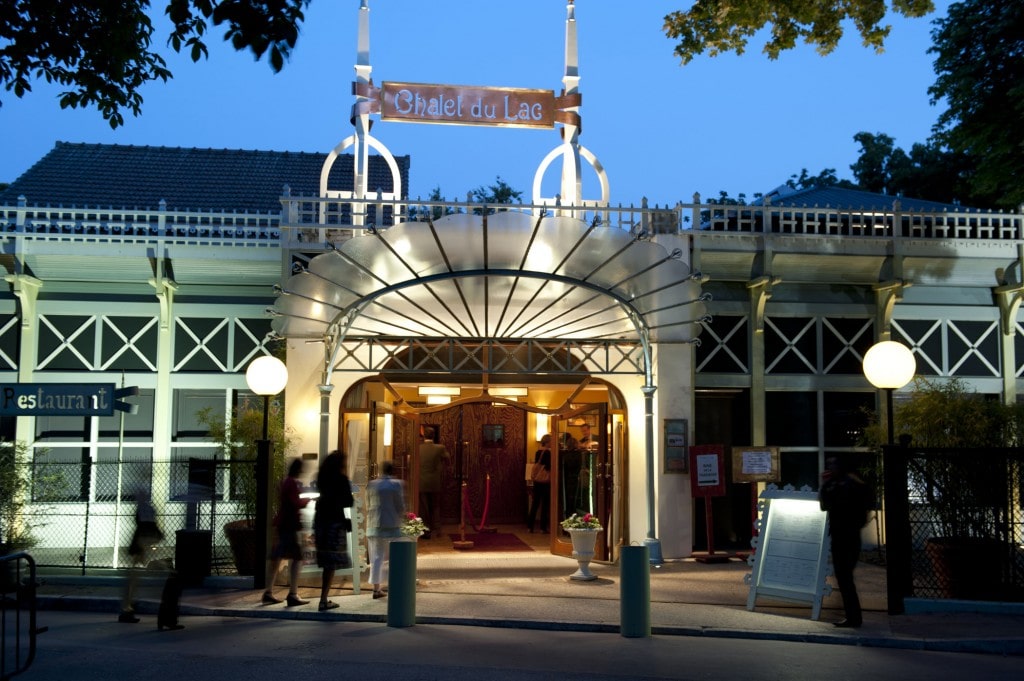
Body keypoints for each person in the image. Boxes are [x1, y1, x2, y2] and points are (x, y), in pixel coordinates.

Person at [819, 456, 870, 628]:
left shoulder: (840, 485)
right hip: (850, 535)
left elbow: (825, 505)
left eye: (832, 465)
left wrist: (825, 485)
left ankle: (853, 617)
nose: (830, 468)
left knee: (844, 577)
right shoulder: (854, 483)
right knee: (845, 577)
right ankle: (853, 616)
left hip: (843, 536)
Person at [262, 458, 310, 607]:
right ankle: (293, 594)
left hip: (284, 524)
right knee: (297, 558)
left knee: (277, 557)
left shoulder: (286, 482)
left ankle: (269, 592)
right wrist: (306, 500)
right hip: (289, 525)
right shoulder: (291, 483)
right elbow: (294, 503)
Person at [314, 450, 354, 612]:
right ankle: (323, 599)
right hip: (335, 522)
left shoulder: (321, 477)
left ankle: (323, 598)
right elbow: (349, 501)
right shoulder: (341, 479)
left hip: (320, 521)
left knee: (326, 561)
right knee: (331, 563)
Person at [119, 488, 165, 625]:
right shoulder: (146, 509)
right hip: (142, 542)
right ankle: (127, 609)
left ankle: (127, 609)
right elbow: (148, 525)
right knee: (134, 577)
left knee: (134, 576)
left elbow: (145, 525)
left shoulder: (143, 508)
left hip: (140, 541)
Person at [366, 460, 405, 600]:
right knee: (397, 555)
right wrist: (402, 516)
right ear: (392, 470)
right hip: (392, 524)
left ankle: (376, 588)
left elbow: (368, 503)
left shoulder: (372, 484)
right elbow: (400, 505)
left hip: (374, 524)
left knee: (376, 557)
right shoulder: (396, 484)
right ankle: (396, 584)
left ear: (381, 470)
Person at [418, 425, 449, 540]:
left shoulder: (418, 448)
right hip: (435, 482)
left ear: (423, 435)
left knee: (423, 507)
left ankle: (426, 531)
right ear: (434, 436)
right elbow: (448, 459)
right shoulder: (440, 448)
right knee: (435, 506)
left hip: (421, 482)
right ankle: (437, 529)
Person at [526, 433, 552, 533]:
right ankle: (543, 528)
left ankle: (530, 526)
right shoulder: (548, 453)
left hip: (537, 481)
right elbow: (548, 467)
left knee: (535, 504)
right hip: (545, 481)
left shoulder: (538, 452)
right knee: (545, 505)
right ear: (547, 442)